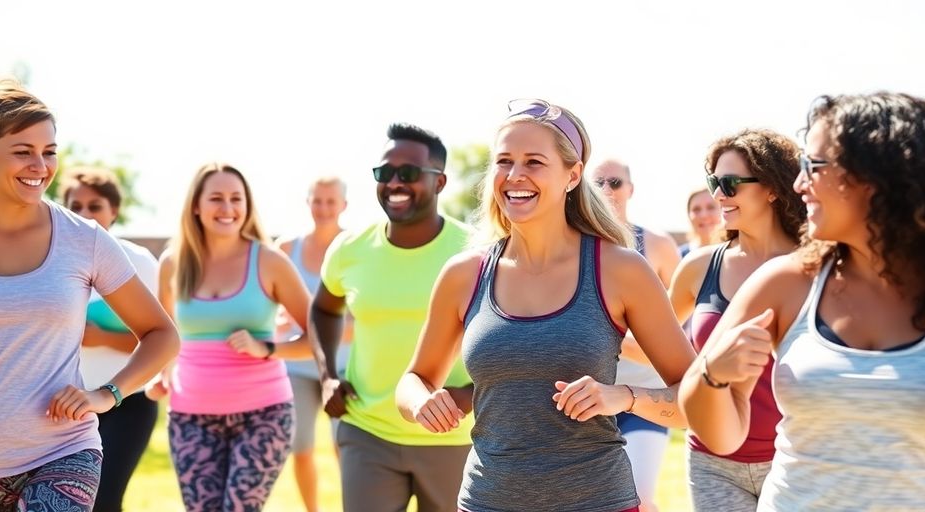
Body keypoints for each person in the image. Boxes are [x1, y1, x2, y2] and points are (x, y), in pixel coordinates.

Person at [678, 92, 925, 511]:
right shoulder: (785, 282)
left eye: (814, 166)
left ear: (876, 176)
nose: (798, 183)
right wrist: (714, 376)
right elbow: (720, 436)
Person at [396, 99, 696, 512]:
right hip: (487, 502)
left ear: (573, 175)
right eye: (504, 161)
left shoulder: (620, 270)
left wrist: (625, 396)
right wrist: (421, 402)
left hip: (599, 502)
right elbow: (413, 380)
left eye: (534, 162)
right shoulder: (464, 274)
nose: (514, 176)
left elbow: (696, 400)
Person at [0, 77, 179, 511]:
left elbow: (161, 333)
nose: (40, 166)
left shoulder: (84, 239)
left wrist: (107, 394)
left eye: (49, 152)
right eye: (22, 152)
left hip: (62, 451)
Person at [309, 124, 474, 512]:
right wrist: (328, 375)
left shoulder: (476, 252)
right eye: (385, 173)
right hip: (368, 431)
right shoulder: (349, 249)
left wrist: (470, 395)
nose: (395, 183)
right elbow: (322, 308)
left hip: (455, 437)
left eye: (410, 173)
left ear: (440, 182)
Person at [153, 162, 314, 512]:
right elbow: (164, 335)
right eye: (216, 198)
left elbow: (319, 337)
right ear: (196, 205)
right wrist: (161, 374)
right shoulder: (172, 263)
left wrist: (267, 348)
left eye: (236, 199)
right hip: (190, 415)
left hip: (263, 415)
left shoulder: (269, 261)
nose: (228, 209)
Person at [667, 129, 805, 511]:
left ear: (773, 188)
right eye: (714, 182)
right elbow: (653, 341)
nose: (717, 195)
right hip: (712, 461)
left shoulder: (817, 268)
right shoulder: (698, 267)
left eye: (729, 183)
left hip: (795, 459)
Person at [60, 167, 161, 512]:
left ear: (114, 210)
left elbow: (162, 340)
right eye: (76, 206)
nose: (86, 214)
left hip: (127, 402)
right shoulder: (51, 262)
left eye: (95, 206)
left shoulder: (139, 262)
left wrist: (101, 337)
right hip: (64, 405)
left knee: (104, 499)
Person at [591, 158, 682, 512]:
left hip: (644, 397)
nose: (606, 191)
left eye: (615, 182)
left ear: (631, 189)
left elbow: (679, 332)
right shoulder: (577, 247)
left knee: (639, 500)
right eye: (597, 183)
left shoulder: (658, 246)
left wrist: (620, 343)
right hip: (587, 397)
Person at [275, 176, 352, 512]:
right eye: (317, 201)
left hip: (343, 367)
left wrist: (311, 324)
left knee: (345, 446)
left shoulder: (353, 249)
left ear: (343, 205)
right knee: (301, 446)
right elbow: (271, 309)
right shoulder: (285, 249)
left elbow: (360, 323)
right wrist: (276, 324)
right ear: (308, 203)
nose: (323, 208)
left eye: (330, 202)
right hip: (296, 367)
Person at [679, 188, 720, 257]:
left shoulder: (737, 255)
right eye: (696, 209)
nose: (704, 215)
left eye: (710, 207)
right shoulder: (677, 256)